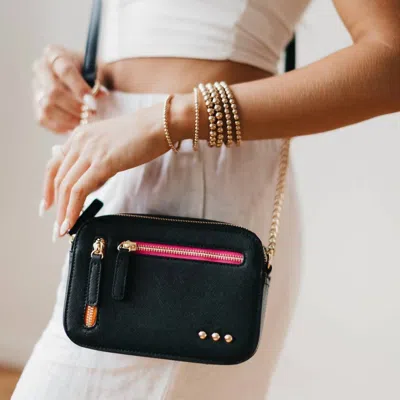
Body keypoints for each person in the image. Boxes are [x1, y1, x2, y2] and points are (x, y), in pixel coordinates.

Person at [13, 0, 399, 398]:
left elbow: (391, 59)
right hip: (125, 179)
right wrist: (79, 71)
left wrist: (168, 118)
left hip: (202, 195)